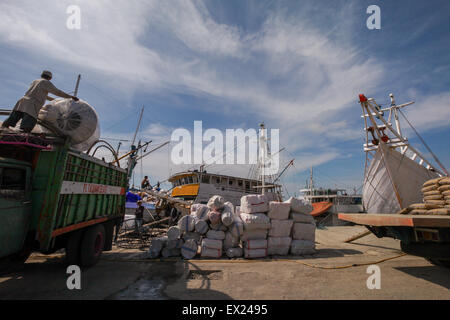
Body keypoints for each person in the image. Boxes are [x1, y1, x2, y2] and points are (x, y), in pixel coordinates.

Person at [1, 70, 79, 133]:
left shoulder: (36, 81)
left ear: (42, 75)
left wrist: (55, 100)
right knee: (28, 123)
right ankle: (22, 136)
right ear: (50, 78)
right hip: (32, 105)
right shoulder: (46, 83)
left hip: (22, 102)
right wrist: (70, 97)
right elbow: (57, 92)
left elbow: (40, 94)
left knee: (13, 118)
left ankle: (2, 130)